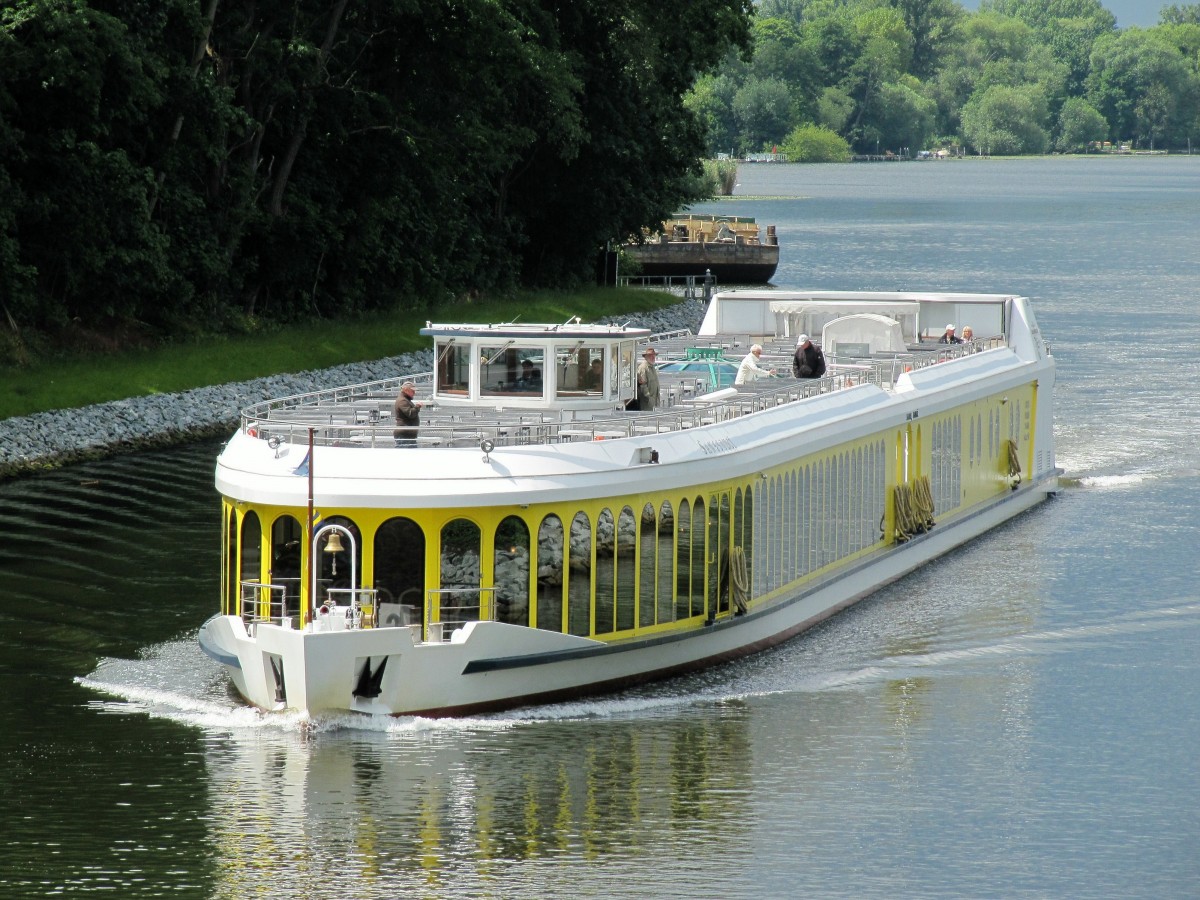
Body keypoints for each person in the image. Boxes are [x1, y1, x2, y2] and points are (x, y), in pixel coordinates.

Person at [392, 381, 423, 447]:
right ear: (406, 390)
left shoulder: (404, 400)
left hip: (407, 434)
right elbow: (410, 414)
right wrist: (417, 406)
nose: (414, 393)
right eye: (412, 391)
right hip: (404, 435)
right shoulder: (402, 400)